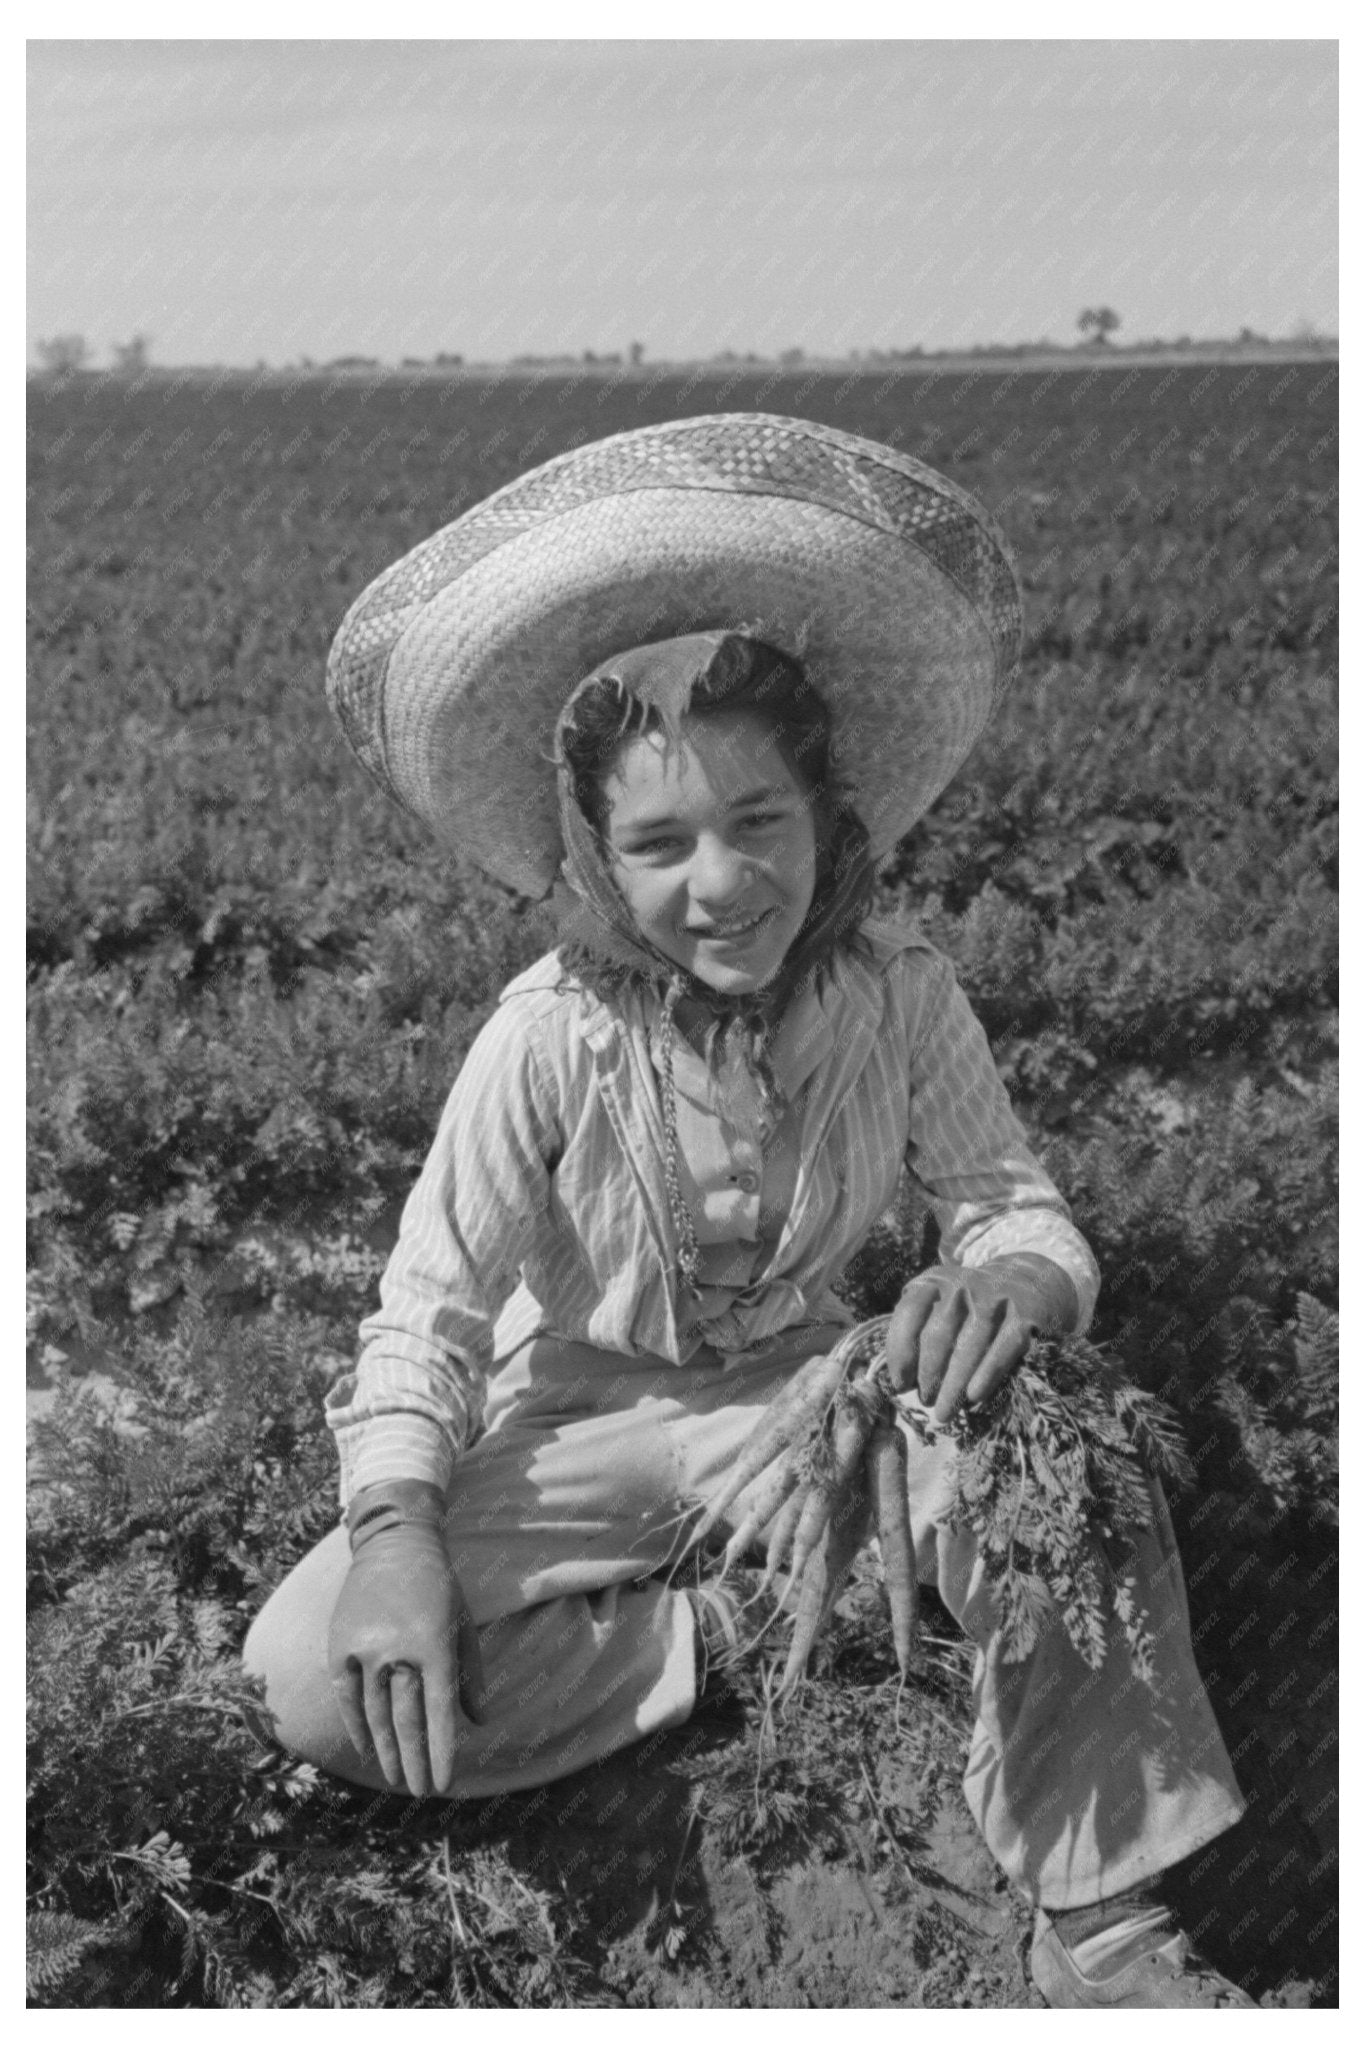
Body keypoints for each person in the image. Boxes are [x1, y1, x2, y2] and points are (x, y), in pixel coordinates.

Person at [245, 414, 1254, 2007]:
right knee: (312, 1678)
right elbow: (424, 1316)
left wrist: (1015, 1290)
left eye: (757, 824)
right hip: (571, 1423)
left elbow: (1012, 1208)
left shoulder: (898, 995)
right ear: (595, 856)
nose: (718, 884)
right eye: (657, 844)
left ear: (826, 819)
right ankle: (738, 1626)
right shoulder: (550, 1035)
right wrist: (389, 1537)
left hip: (797, 1399)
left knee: (1072, 1464)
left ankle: (1102, 1914)